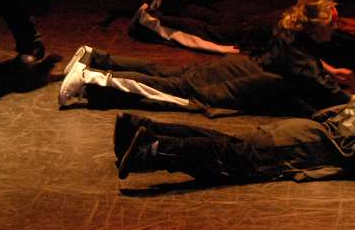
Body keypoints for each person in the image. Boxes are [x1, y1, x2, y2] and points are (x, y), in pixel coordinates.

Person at [60, 0, 353, 116]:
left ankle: (97, 57)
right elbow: (325, 89)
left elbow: (302, 63)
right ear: (315, 26)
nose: (335, 30)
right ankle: (87, 81)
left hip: (232, 70)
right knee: (167, 90)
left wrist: (330, 71)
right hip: (227, 86)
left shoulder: (289, 30)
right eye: (332, 24)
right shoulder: (300, 55)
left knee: (166, 74)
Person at [114, 99, 355, 184]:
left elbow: (322, 114)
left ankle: (140, 126)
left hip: (298, 128)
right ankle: (154, 147)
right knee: (225, 158)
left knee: (220, 140)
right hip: (301, 147)